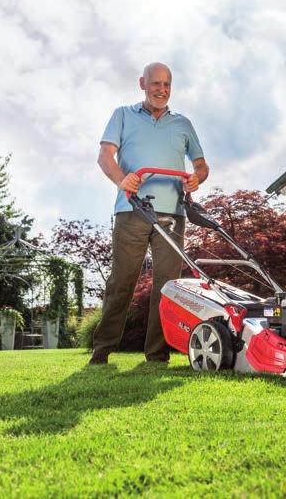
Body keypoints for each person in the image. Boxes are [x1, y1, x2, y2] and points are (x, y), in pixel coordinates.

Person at [89, 62, 209, 365]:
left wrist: (197, 177)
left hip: (173, 213)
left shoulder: (182, 123)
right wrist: (121, 179)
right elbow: (105, 155)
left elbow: (201, 164)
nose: (162, 90)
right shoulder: (123, 115)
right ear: (142, 83)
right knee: (122, 281)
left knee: (168, 285)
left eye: (167, 85)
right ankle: (102, 351)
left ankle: (157, 354)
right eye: (155, 84)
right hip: (132, 209)